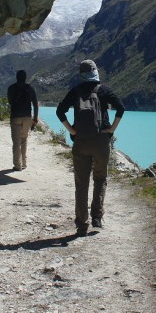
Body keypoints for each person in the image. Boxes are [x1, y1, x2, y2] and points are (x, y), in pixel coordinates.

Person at [56, 59, 125, 237]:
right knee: (100, 179)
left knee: (81, 183)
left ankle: (81, 224)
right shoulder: (103, 90)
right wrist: (111, 130)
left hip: (81, 142)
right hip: (101, 140)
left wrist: (72, 131)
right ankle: (97, 218)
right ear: (95, 72)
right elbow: (121, 108)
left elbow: (60, 111)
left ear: (81, 73)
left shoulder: (75, 91)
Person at [7, 70, 38, 171]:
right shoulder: (30, 89)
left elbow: (10, 101)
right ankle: (24, 163)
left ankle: (17, 165)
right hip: (27, 117)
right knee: (24, 140)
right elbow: (35, 104)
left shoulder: (11, 88)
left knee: (16, 142)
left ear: (16, 77)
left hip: (15, 117)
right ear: (25, 78)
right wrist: (35, 119)